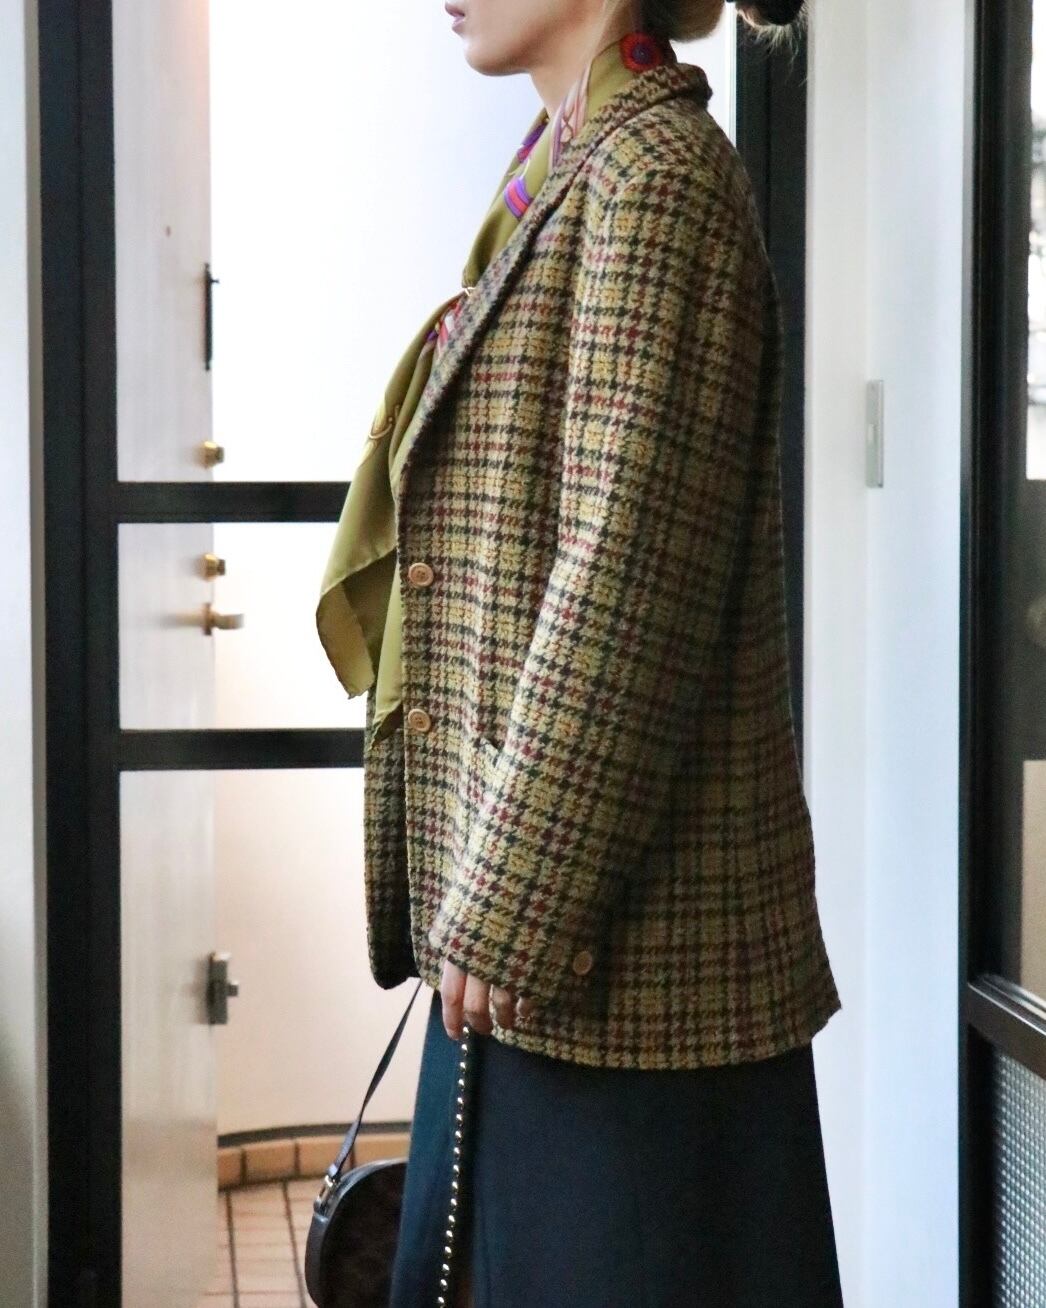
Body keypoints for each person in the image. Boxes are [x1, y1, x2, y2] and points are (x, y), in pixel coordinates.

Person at [316, 0, 844, 1303]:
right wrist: (491, 907)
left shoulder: (655, 183)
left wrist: (508, 907)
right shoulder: (568, 168)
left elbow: (627, 583)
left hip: (624, 978)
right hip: (540, 943)